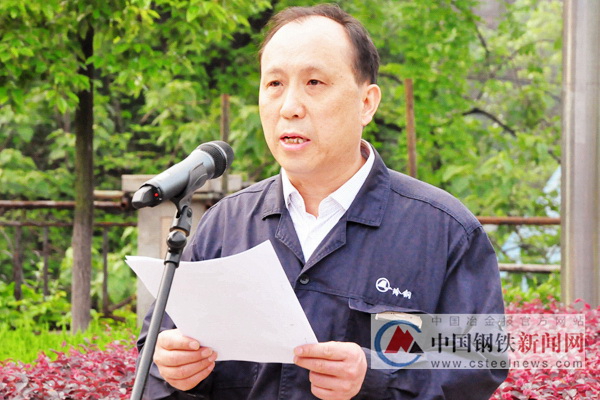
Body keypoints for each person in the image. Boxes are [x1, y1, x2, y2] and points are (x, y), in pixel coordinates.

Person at [137, 4, 507, 399]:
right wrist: (173, 365)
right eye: (274, 84)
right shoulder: (226, 224)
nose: (289, 107)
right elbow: (157, 350)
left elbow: (477, 359)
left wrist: (375, 374)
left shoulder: (443, 230)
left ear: (367, 103)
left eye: (314, 82)